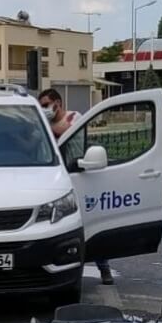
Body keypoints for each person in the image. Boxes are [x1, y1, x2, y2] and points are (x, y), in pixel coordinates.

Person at [38, 88, 114, 285]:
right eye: (41, 107)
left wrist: (42, 124)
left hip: (81, 175)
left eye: (46, 105)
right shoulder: (45, 126)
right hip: (58, 182)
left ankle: (104, 269)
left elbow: (67, 131)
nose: (44, 109)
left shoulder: (74, 117)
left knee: (93, 224)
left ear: (58, 103)